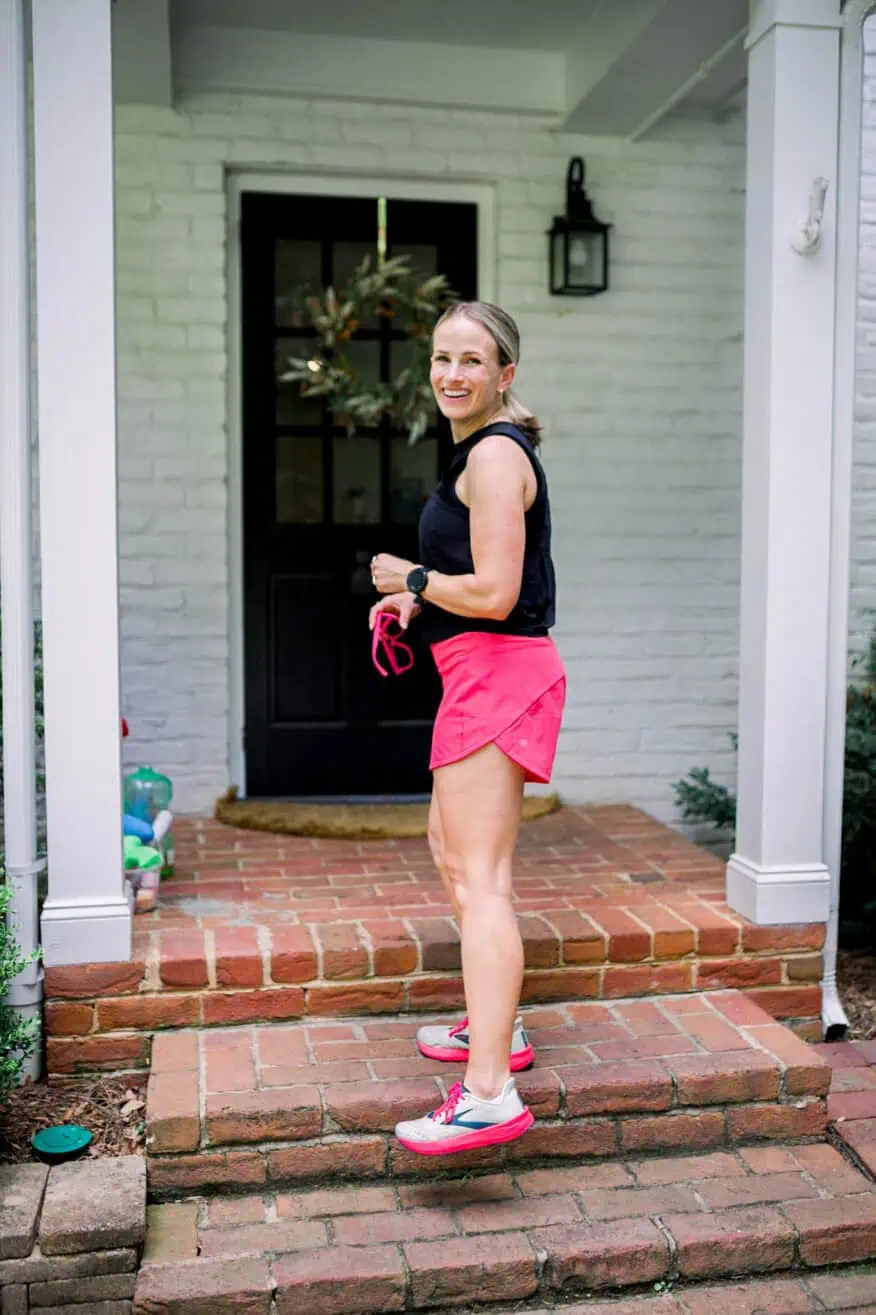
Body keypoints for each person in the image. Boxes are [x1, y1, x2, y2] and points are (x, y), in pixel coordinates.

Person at [369, 300, 565, 1157]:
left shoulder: (492, 457)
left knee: (480, 876)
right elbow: (473, 585)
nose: (453, 374)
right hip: (474, 671)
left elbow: (493, 591)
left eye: (472, 360)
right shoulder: (477, 453)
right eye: (442, 358)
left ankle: (489, 1090)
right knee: (453, 852)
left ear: (504, 374)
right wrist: (420, 597)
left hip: (499, 674)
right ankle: (499, 1028)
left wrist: (411, 571)